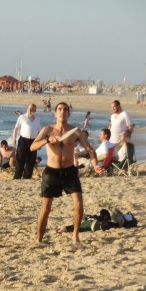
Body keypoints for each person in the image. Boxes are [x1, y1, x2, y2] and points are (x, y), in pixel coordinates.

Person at [30, 102, 103, 245]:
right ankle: (39, 240)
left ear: (69, 114)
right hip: (51, 172)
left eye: (65, 110)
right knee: (46, 208)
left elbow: (90, 150)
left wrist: (95, 165)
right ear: (55, 113)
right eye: (59, 109)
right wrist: (46, 140)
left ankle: (75, 236)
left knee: (78, 204)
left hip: (70, 171)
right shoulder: (48, 130)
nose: (62, 112)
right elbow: (33, 147)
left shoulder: (75, 132)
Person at [12, 103, 41, 179]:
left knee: (31, 161)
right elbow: (16, 128)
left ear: (35, 110)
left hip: (33, 142)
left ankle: (27, 177)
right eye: (29, 108)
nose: (31, 110)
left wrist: (39, 143)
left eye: (32, 109)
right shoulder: (22, 117)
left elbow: (39, 133)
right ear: (27, 109)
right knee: (20, 159)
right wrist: (14, 139)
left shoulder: (37, 120)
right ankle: (17, 177)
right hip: (23, 141)